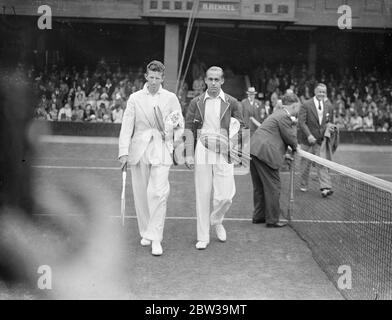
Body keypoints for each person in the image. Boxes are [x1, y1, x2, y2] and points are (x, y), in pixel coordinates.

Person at [118, 60, 184, 256]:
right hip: (139, 150)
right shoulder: (135, 98)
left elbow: (179, 125)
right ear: (146, 76)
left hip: (162, 149)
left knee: (158, 193)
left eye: (158, 78)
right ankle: (146, 231)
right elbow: (127, 125)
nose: (154, 81)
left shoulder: (171, 98)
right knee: (141, 194)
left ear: (162, 78)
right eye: (151, 77)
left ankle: (156, 237)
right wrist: (123, 151)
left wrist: (169, 135)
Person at [184, 66, 245, 250]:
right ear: (205, 80)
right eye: (210, 79)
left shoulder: (233, 102)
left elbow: (241, 127)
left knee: (226, 196)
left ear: (222, 81)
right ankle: (203, 237)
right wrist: (188, 153)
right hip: (202, 149)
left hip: (224, 150)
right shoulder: (196, 102)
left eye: (216, 79)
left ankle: (217, 219)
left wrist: (231, 145)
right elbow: (189, 128)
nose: (213, 83)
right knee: (202, 194)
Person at [249, 92, 300, 227]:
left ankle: (259, 216)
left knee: (259, 186)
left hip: (254, 150)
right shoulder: (285, 116)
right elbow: (289, 138)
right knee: (273, 187)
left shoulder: (276, 114)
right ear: (294, 106)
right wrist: (296, 147)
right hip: (264, 152)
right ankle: (272, 220)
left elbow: (274, 137)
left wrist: (285, 155)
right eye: (298, 107)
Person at [298, 83, 333, 198]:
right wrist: (308, 135)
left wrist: (330, 129)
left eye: (324, 92)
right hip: (307, 141)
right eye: (320, 92)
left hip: (320, 141)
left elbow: (329, 122)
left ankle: (325, 187)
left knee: (321, 163)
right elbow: (301, 122)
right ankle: (303, 184)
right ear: (315, 92)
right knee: (305, 165)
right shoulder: (306, 104)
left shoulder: (328, 106)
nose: (322, 94)